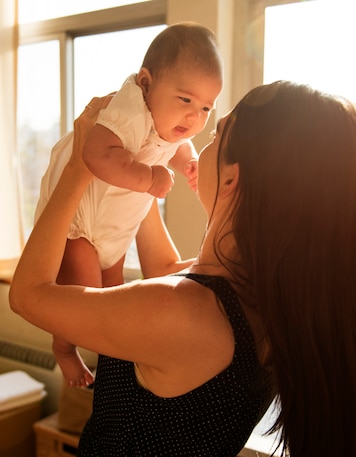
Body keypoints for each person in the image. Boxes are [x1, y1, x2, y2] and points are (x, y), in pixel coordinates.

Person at [10, 80, 356, 457]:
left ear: (233, 179)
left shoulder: (180, 312)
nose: (200, 141)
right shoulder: (258, 297)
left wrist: (79, 166)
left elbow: (28, 294)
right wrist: (136, 160)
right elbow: (162, 267)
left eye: (216, 134)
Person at [33, 22, 223, 387]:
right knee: (84, 304)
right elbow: (96, 154)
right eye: (185, 100)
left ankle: (111, 375)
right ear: (147, 83)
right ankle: (63, 348)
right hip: (82, 224)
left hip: (115, 227)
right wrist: (149, 178)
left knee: (114, 299)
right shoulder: (129, 110)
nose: (193, 117)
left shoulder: (167, 122)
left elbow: (178, 147)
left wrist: (189, 163)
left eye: (205, 108)